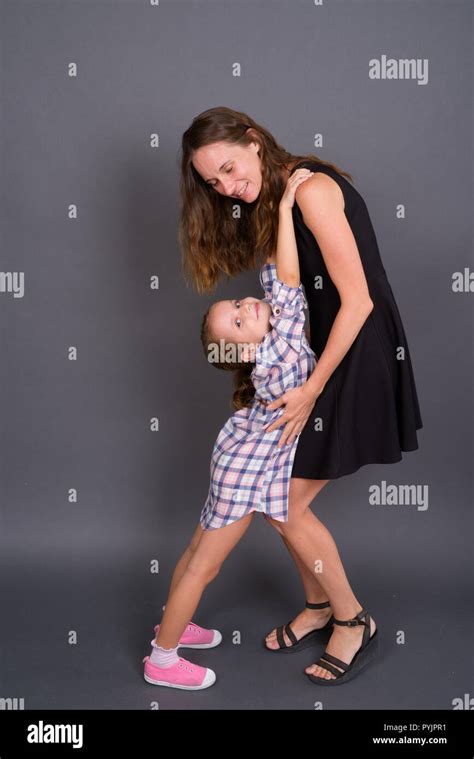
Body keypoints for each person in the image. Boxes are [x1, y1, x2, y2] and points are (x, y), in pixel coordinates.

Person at [173, 106, 422, 686]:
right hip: (316, 358)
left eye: (231, 169)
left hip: (356, 353)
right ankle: (317, 607)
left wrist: (310, 389)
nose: (228, 188)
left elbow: (358, 303)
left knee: (284, 501)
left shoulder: (311, 191)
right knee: (280, 499)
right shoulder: (269, 204)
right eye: (214, 183)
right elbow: (285, 292)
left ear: (255, 142)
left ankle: (350, 619)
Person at [143, 168, 319, 690]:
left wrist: (275, 215)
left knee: (198, 549)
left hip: (236, 453)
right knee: (206, 566)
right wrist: (284, 207)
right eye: (239, 320)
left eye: (238, 305)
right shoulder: (279, 348)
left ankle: (175, 622)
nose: (247, 306)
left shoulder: (266, 344)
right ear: (244, 350)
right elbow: (287, 280)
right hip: (244, 469)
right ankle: (163, 657)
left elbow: (275, 279)